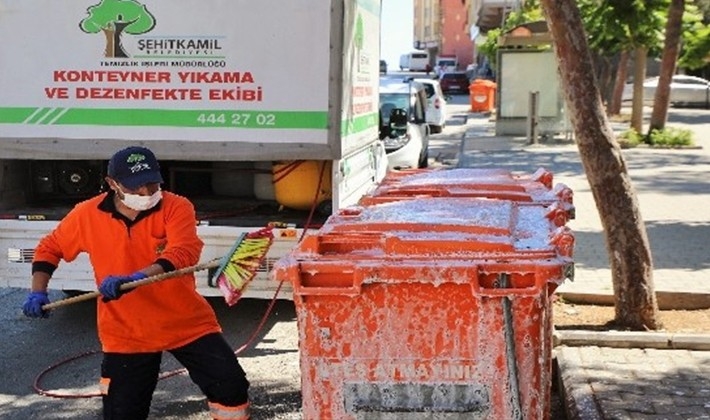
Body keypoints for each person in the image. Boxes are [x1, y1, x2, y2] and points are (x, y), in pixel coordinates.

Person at [22, 146, 250, 420]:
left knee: (231, 386)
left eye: (152, 184)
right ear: (112, 184)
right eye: (135, 187)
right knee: (123, 412)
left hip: (185, 321)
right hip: (126, 331)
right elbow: (50, 248)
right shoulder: (87, 215)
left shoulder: (177, 206)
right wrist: (38, 291)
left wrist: (138, 277)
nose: (146, 193)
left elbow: (183, 252)